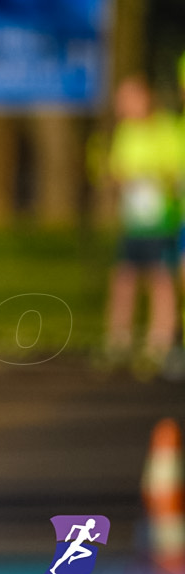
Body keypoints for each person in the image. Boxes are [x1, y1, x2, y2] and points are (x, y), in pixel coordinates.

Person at [102, 75, 183, 377]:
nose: (122, 106)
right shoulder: (125, 132)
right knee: (124, 279)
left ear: (145, 98)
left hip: (160, 220)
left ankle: (158, 344)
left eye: (128, 99)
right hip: (133, 221)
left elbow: (175, 171)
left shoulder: (166, 129)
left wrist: (151, 176)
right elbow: (116, 169)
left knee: (161, 281)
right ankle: (117, 342)